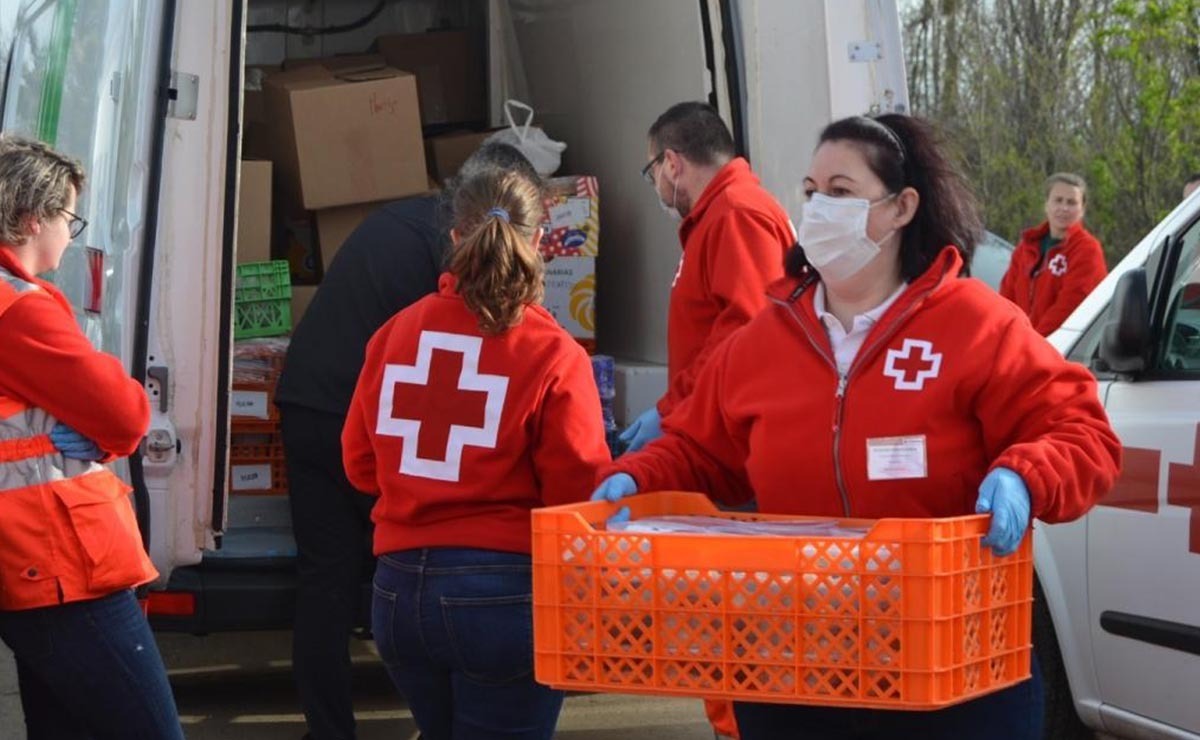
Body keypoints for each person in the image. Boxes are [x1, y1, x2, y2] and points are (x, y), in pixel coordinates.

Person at [593, 114, 1122, 740]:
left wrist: (1025, 476)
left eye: (841, 193)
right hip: (799, 670)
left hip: (957, 673)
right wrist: (635, 477)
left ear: (902, 208)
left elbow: (1084, 433)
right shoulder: (762, 341)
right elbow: (699, 448)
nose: (819, 209)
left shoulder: (976, 325)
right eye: (812, 192)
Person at [341, 156, 611, 740]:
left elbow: (361, 465)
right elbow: (579, 496)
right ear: (541, 240)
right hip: (503, 598)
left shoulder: (394, 335)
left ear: (455, 236)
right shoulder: (554, 353)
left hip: (396, 593)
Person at [274, 144, 537, 740]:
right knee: (428, 566)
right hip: (357, 418)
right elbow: (468, 353)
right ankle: (439, 719)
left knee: (325, 582)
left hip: (307, 403)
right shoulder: (454, 247)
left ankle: (329, 730)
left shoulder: (399, 219)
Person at [0, 134, 183, 738]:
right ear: (32, 219)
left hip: (24, 565)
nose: (70, 235)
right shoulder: (19, 310)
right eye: (68, 218)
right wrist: (96, 433)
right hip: (61, 561)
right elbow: (127, 414)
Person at [621, 102, 795, 455]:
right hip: (714, 431)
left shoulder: (736, 215)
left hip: (736, 447)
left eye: (651, 172)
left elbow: (746, 332)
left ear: (671, 163)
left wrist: (671, 409)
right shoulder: (718, 216)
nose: (655, 186)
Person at [999, 172, 1106, 336]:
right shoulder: (1026, 247)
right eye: (1058, 200)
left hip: (1060, 347)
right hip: (1019, 343)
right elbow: (1006, 298)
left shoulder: (1088, 250)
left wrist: (1033, 342)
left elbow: (1070, 305)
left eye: (1071, 202)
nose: (1063, 208)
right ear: (1046, 204)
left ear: (1082, 209)